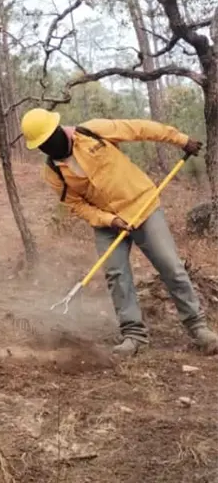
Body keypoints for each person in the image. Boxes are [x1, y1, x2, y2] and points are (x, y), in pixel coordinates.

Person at [20, 108, 218, 357]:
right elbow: (76, 206)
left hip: (142, 206)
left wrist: (179, 139)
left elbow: (139, 129)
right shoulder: (53, 172)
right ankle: (134, 335)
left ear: (58, 130)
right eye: (42, 145)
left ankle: (198, 329)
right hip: (107, 223)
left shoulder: (92, 131)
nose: (47, 147)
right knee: (116, 274)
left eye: (49, 140)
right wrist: (109, 220)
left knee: (171, 267)